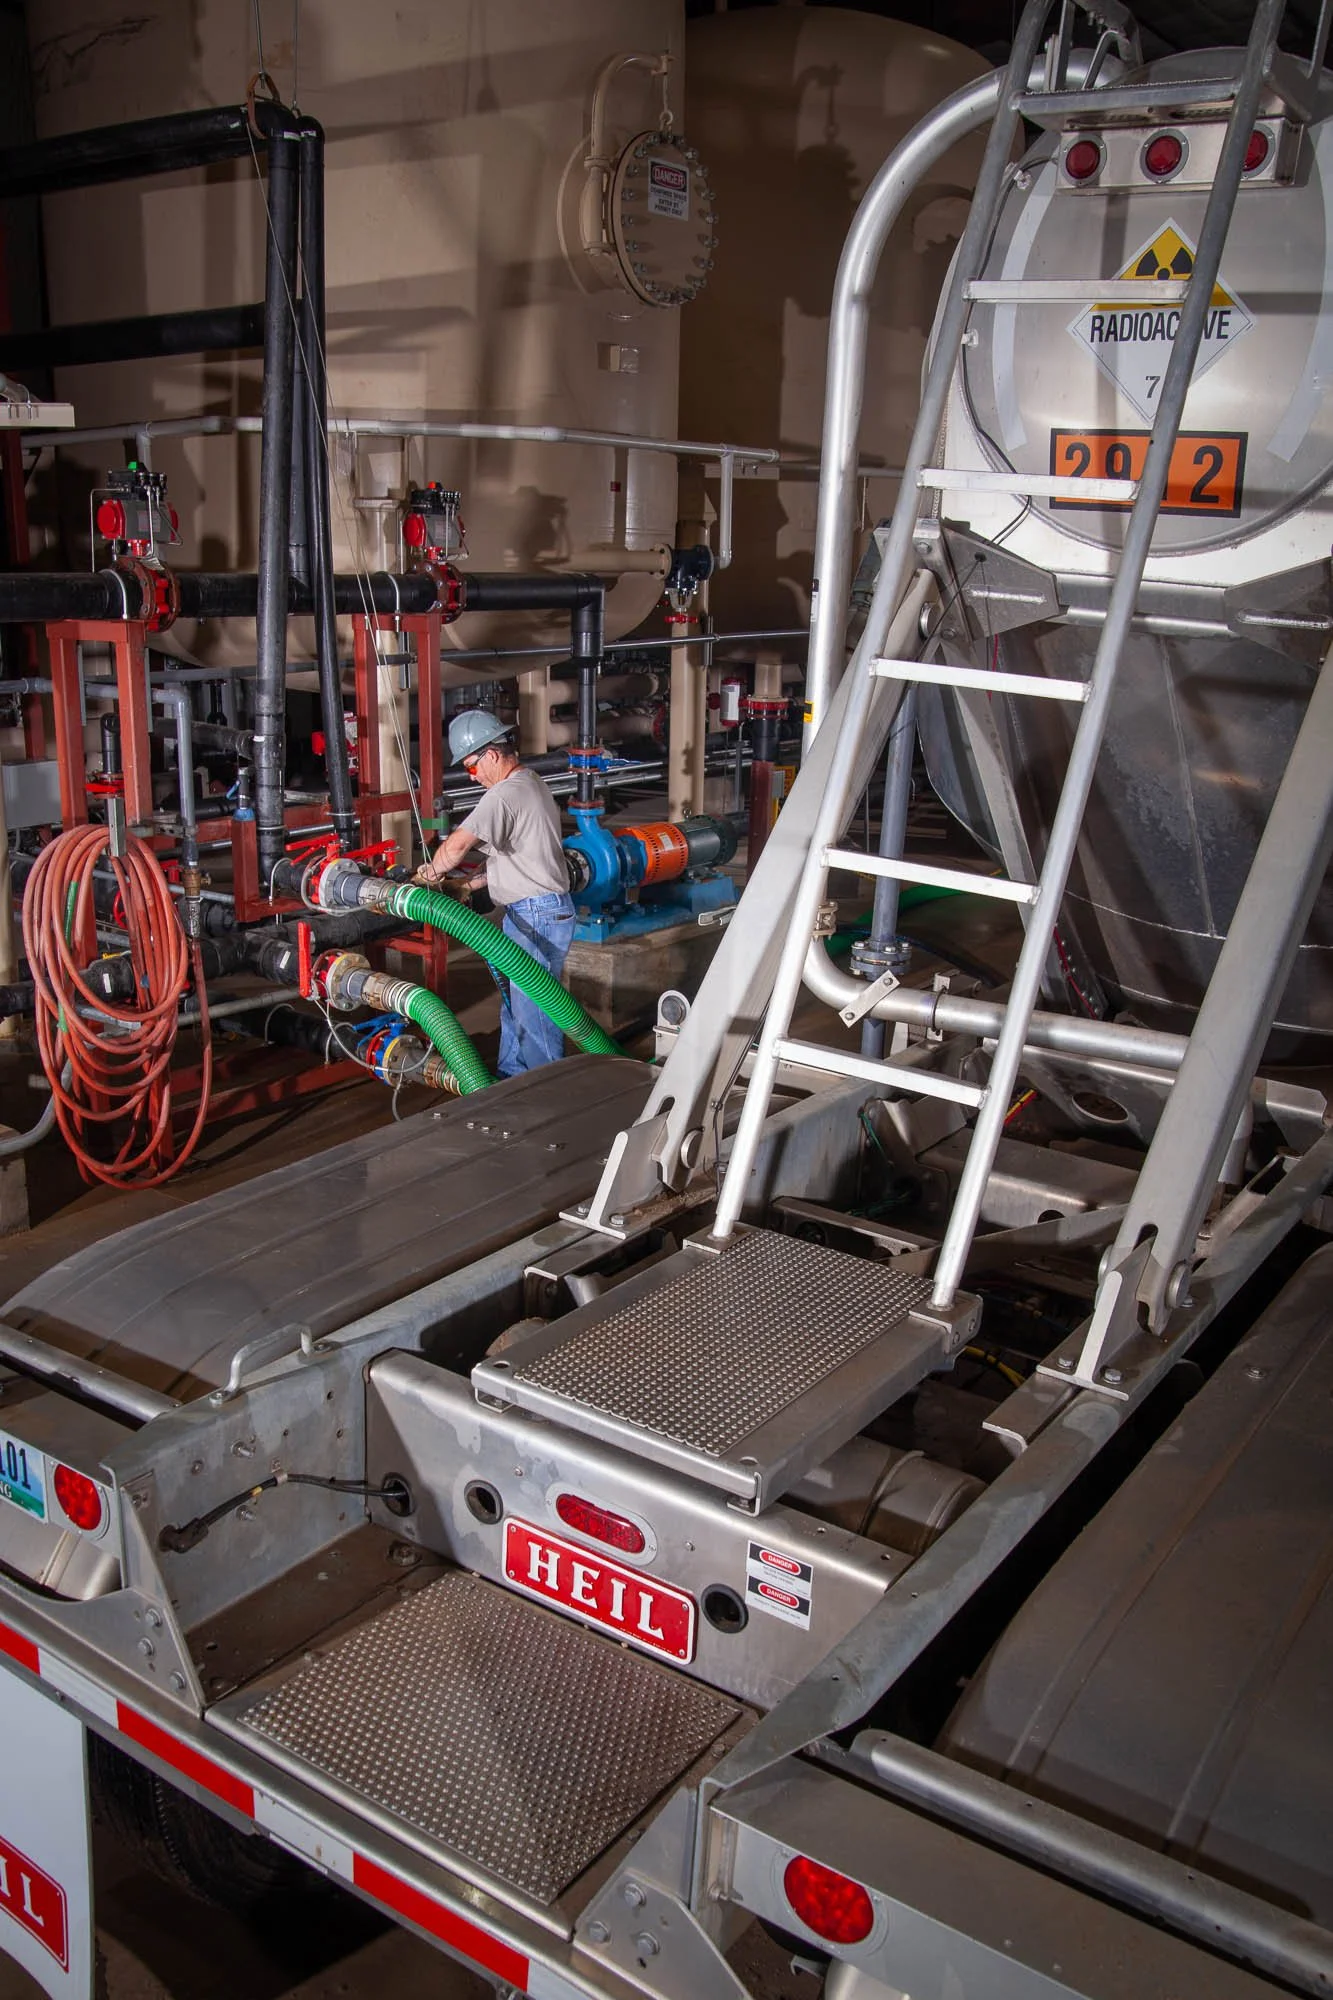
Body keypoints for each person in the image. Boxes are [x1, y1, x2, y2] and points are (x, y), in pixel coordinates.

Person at [418, 711, 576, 1077]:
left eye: (472, 767)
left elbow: (457, 846)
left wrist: (427, 875)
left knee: (535, 1012)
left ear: (491, 754)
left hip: (536, 914)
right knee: (516, 1007)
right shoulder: (530, 783)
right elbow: (519, 856)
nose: (473, 777)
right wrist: (468, 885)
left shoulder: (504, 794)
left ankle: (552, 1093)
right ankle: (511, 1078)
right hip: (536, 911)